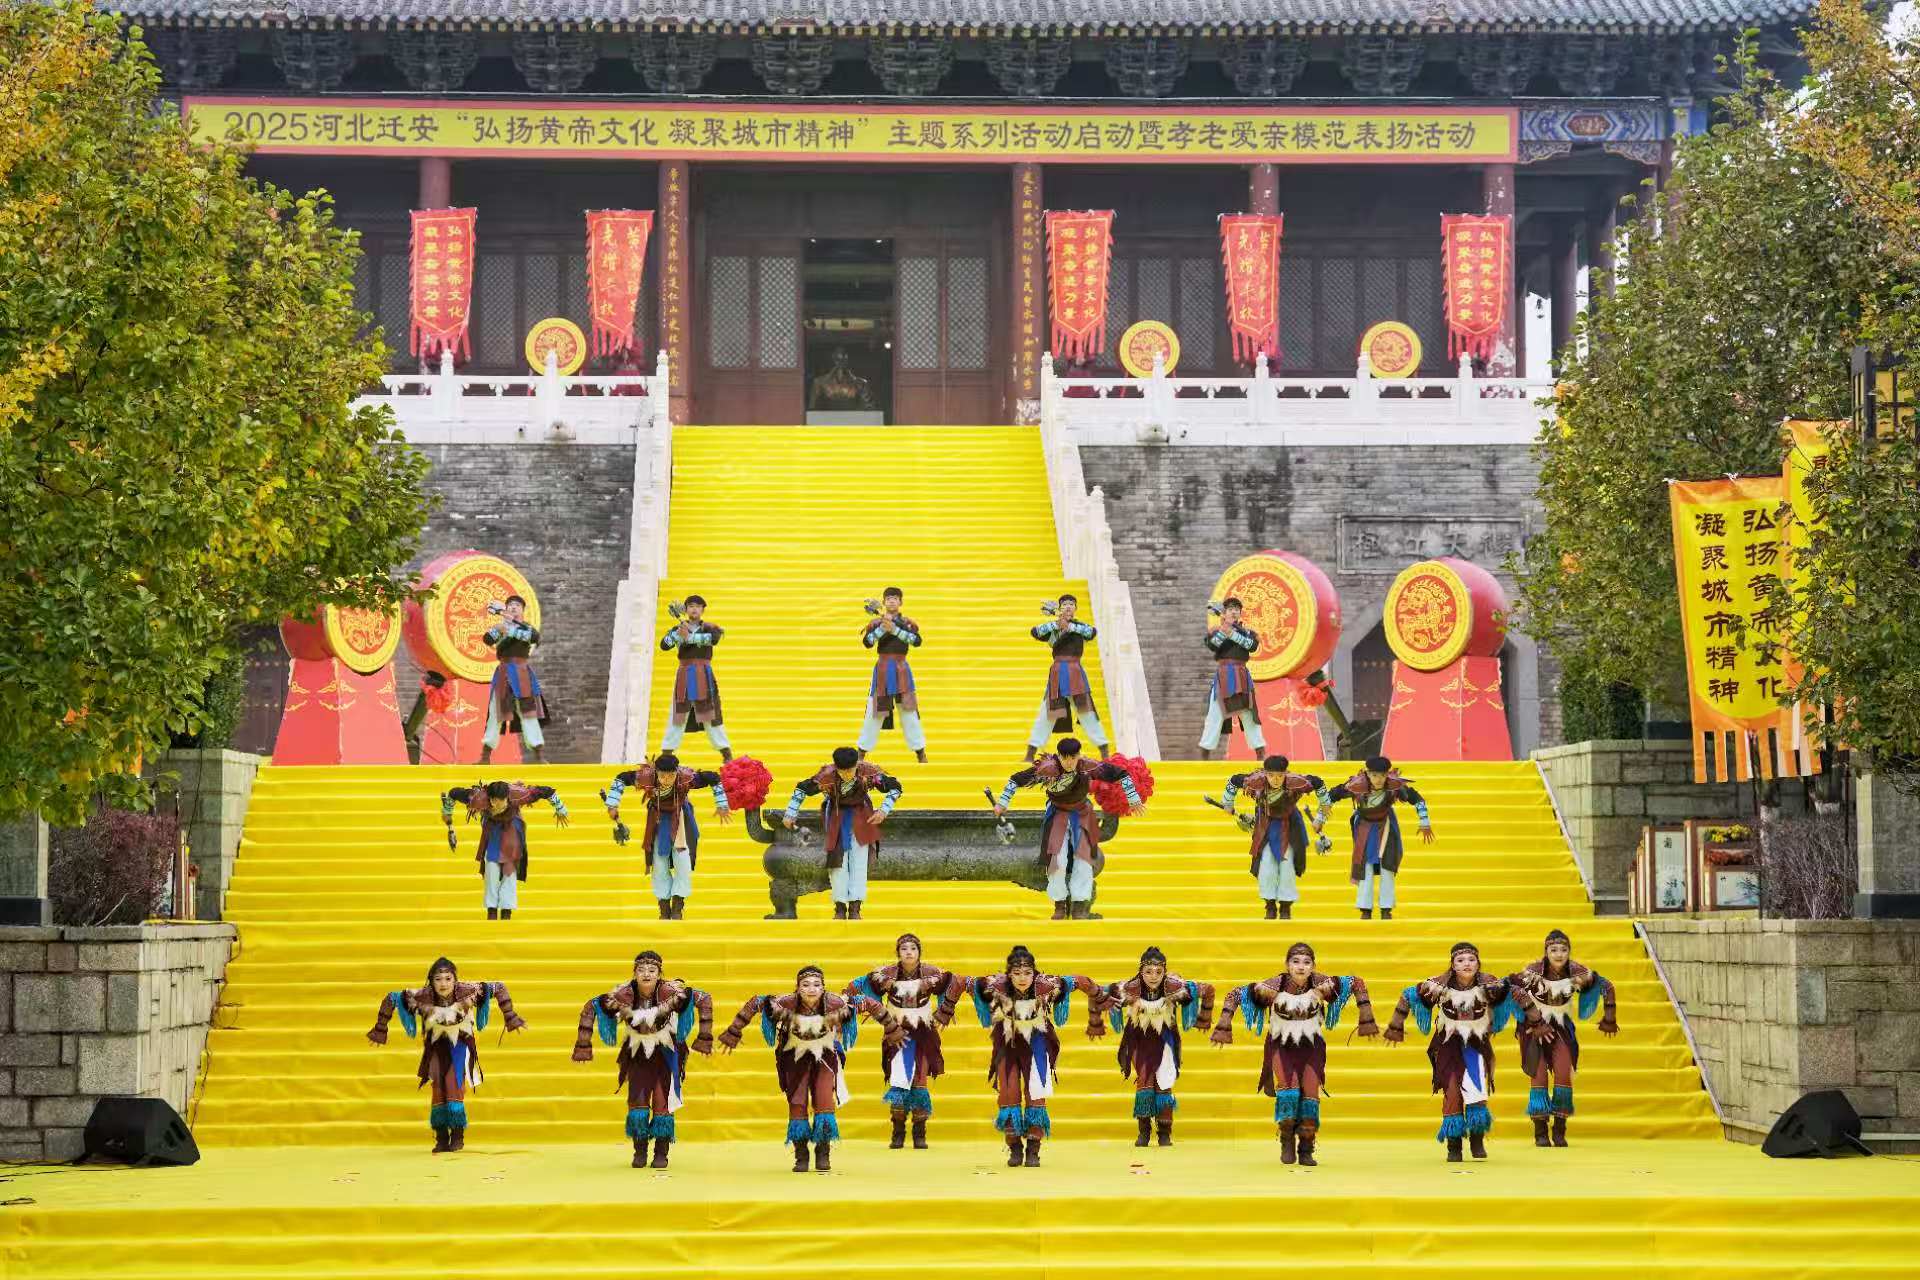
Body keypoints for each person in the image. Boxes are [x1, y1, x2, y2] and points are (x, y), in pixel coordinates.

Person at [1209, 942, 1377, 1166]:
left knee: (1310, 1097)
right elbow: (1235, 994)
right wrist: (1224, 1024)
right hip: (1281, 1047)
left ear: (1313, 966)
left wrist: (1366, 1016)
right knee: (1288, 1092)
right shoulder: (1272, 987)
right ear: (1287, 965)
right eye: (1295, 962)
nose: (1301, 967)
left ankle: (1306, 1149)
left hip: (1312, 1049)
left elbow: (1356, 982)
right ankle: (1286, 1141)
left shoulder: (1322, 985)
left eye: (1307, 962)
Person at [1384, 941, 1545, 1162]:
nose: (1466, 964)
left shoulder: (1490, 985)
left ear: (1478, 963)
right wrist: (1395, 1026)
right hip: (1447, 1045)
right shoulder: (1438, 986)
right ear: (1452, 965)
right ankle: (1454, 1145)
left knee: (1476, 1090)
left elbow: (1517, 993)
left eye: (1471, 959)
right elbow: (1409, 994)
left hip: (1476, 1045)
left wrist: (1537, 1023)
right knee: (1452, 1091)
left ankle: (1477, 1139)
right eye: (1460, 960)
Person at [570, 950, 714, 1168]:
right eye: (641, 970)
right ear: (634, 973)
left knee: (662, 1102)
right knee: (637, 1103)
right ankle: (640, 1152)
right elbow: (592, 1006)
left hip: (665, 1053)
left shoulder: (671, 992)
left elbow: (704, 999)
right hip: (637, 1054)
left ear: (659, 973)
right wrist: (583, 1043)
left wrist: (704, 1036)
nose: (646, 974)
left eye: (652, 970)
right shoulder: (623, 994)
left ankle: (661, 1153)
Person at [366, 957, 526, 1153]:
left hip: (461, 1044)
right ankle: (441, 1137)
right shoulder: (422, 996)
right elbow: (392, 998)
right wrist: (380, 1029)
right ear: (431, 981)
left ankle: (457, 1135)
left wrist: (510, 1016)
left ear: (455, 979)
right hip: (435, 1048)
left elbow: (498, 987)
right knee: (438, 1090)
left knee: (453, 1085)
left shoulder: (469, 991)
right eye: (438, 979)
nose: (443, 984)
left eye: (448, 978)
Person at [965, 946, 1100, 1168]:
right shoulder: (994, 985)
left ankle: (1033, 1150)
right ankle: (1015, 1148)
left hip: (1037, 1044)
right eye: (1016, 973)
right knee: (1008, 1095)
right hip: (1007, 1045)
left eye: (1027, 973)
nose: (1022, 978)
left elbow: (1077, 981)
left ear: (1034, 972)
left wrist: (1097, 997)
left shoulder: (1048, 985)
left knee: (1036, 1095)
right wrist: (947, 1005)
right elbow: (962, 982)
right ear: (1009, 974)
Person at [717, 965, 857, 1173]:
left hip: (825, 1058)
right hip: (793, 1060)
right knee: (797, 1104)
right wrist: (734, 1030)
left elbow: (868, 1004)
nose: (811, 989)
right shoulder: (785, 1002)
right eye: (806, 985)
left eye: (816, 985)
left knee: (824, 1102)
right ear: (797, 988)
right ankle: (801, 1155)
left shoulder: (835, 1002)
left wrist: (892, 1027)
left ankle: (823, 1153)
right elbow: (757, 1002)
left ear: (824, 987)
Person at [995, 737, 1143, 920]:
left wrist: (1133, 798)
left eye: (1073, 758)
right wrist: (1002, 802)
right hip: (1057, 814)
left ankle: (1079, 906)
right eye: (1065, 758)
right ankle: (1059, 904)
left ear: (1079, 755)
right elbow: (1016, 779)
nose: (1069, 762)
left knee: (1084, 860)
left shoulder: (1088, 766)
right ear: (1058, 756)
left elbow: (1121, 773)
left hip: (1082, 814)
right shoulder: (1047, 769)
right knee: (1057, 860)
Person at [845, 933, 963, 1150]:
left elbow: (956, 981)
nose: (909, 952)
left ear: (919, 952)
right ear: (898, 952)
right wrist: (870, 1010)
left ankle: (919, 1133)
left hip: (924, 1033)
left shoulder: (932, 972)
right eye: (904, 949)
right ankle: (898, 1132)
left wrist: (945, 1009)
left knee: (920, 1081)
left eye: (913, 948)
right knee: (898, 1082)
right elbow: (855, 988)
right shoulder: (885, 974)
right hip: (896, 1033)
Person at [1087, 946, 1214, 1147]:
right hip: (1138, 1040)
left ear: (1165, 971)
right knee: (1144, 1082)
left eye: (1158, 972)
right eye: (1148, 971)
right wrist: (1095, 1022)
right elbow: (1096, 993)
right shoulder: (1128, 987)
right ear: (1141, 971)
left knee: (1164, 1083)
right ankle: (1144, 1132)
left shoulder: (1175, 986)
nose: (1153, 976)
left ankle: (1164, 1133)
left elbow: (1208, 990)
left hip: (1165, 1040)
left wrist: (1204, 1017)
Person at [1506, 929, 1619, 1148]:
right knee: (1538, 1076)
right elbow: (1511, 987)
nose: (1559, 954)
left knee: (1564, 1074)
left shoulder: (1577, 972)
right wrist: (1534, 1019)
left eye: (1564, 950)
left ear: (1569, 951)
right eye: (1553, 950)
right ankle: (1540, 1131)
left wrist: (1609, 1017)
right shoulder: (1532, 972)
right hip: (1533, 1029)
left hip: (1561, 1028)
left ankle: (1559, 1130)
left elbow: (1606, 985)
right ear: (1546, 952)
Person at [605, 752, 730, 920]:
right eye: (662, 776)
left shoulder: (686, 777)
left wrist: (722, 804)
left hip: (681, 819)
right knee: (659, 865)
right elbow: (621, 777)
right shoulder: (646, 777)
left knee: (683, 863)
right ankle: (664, 908)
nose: (666, 780)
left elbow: (713, 777)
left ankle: (678, 906)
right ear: (656, 772)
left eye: (671, 776)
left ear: (677, 772)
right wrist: (613, 804)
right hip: (657, 821)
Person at [783, 746, 902, 920]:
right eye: (842, 771)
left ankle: (855, 907)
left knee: (859, 863)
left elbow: (896, 787)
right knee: (836, 863)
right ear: (836, 767)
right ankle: (839, 907)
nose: (847, 775)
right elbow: (802, 788)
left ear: (856, 765)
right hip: (836, 819)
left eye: (850, 770)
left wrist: (884, 810)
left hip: (862, 818)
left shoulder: (868, 772)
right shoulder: (826, 775)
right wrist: (790, 812)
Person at [1318, 754, 1432, 920]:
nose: (1378, 779)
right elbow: (1331, 796)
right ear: (1367, 773)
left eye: (1382, 775)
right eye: (1374, 775)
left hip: (1387, 827)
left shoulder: (1394, 786)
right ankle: (1365, 909)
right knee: (1365, 867)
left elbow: (1417, 799)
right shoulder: (1355, 785)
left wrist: (1424, 822)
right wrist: (1320, 818)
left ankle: (1386, 909)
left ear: (1387, 775)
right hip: (1364, 829)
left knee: (1388, 867)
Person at [1222, 755, 1332, 919]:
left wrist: (1320, 818)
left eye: (1280, 776)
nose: (1275, 780)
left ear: (1285, 773)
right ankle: (1270, 906)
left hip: (1290, 825)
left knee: (1287, 866)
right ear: (1265, 773)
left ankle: (1286, 908)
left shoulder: (1297, 782)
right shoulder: (1254, 781)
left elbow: (1318, 783)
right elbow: (1233, 781)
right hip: (1265, 826)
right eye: (1271, 775)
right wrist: (1228, 803)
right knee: (1266, 865)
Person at [441, 780, 568, 920]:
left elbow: (547, 791)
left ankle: (506, 912)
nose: (497, 806)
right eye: (494, 802)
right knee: (491, 869)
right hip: (492, 831)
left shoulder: (520, 795)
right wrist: (447, 810)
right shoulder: (477, 798)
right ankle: (491, 911)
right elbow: (453, 793)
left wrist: (560, 807)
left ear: (507, 798)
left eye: (501, 802)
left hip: (512, 830)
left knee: (509, 869)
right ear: (489, 800)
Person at [1027, 593, 1108, 761]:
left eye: (1071, 604)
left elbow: (1092, 632)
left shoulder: (1080, 627)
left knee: (1087, 712)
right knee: (1046, 713)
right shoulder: (1054, 628)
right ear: (1060, 608)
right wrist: (1057, 624)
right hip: (1057, 673)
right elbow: (1035, 632)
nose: (1068, 607)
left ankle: (1104, 751)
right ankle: (1030, 752)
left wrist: (1069, 626)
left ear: (1076, 608)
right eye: (1064, 605)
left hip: (1075, 672)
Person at [857, 588, 927, 764]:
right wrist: (882, 629)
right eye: (888, 598)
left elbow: (916, 641)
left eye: (895, 598)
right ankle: (861, 752)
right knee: (876, 711)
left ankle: (920, 751)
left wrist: (895, 630)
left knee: (909, 709)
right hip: (882, 670)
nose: (892, 601)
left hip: (902, 669)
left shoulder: (907, 623)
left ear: (900, 602)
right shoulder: (876, 623)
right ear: (883, 602)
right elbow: (868, 642)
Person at [660, 595, 732, 761]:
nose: (694, 609)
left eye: (698, 606)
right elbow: (664, 645)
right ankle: (666, 754)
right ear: (685, 610)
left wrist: (689, 637)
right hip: (685, 675)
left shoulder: (710, 628)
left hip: (703, 675)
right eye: (691, 606)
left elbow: (713, 640)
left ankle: (726, 753)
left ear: (702, 610)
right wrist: (677, 634)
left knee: (711, 714)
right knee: (678, 714)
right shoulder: (678, 629)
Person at [481, 595, 546, 764]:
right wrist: (501, 628)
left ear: (522, 610)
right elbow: (487, 639)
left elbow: (534, 637)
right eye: (510, 605)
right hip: (503, 672)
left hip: (522, 673)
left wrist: (509, 630)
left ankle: (539, 754)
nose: (514, 607)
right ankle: (485, 756)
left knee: (528, 712)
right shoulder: (500, 627)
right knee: (495, 713)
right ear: (506, 608)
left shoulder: (528, 628)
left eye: (517, 605)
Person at [1198, 597, 1264, 759]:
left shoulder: (1248, 632)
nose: (1234, 612)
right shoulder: (1216, 631)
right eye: (1230, 609)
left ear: (1240, 613)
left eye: (1237, 609)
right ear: (1225, 612)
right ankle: (1205, 754)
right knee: (1215, 714)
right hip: (1224, 676)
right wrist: (1224, 631)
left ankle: (1260, 752)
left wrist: (1232, 634)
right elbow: (1213, 645)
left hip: (1242, 675)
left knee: (1249, 714)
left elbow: (1252, 646)